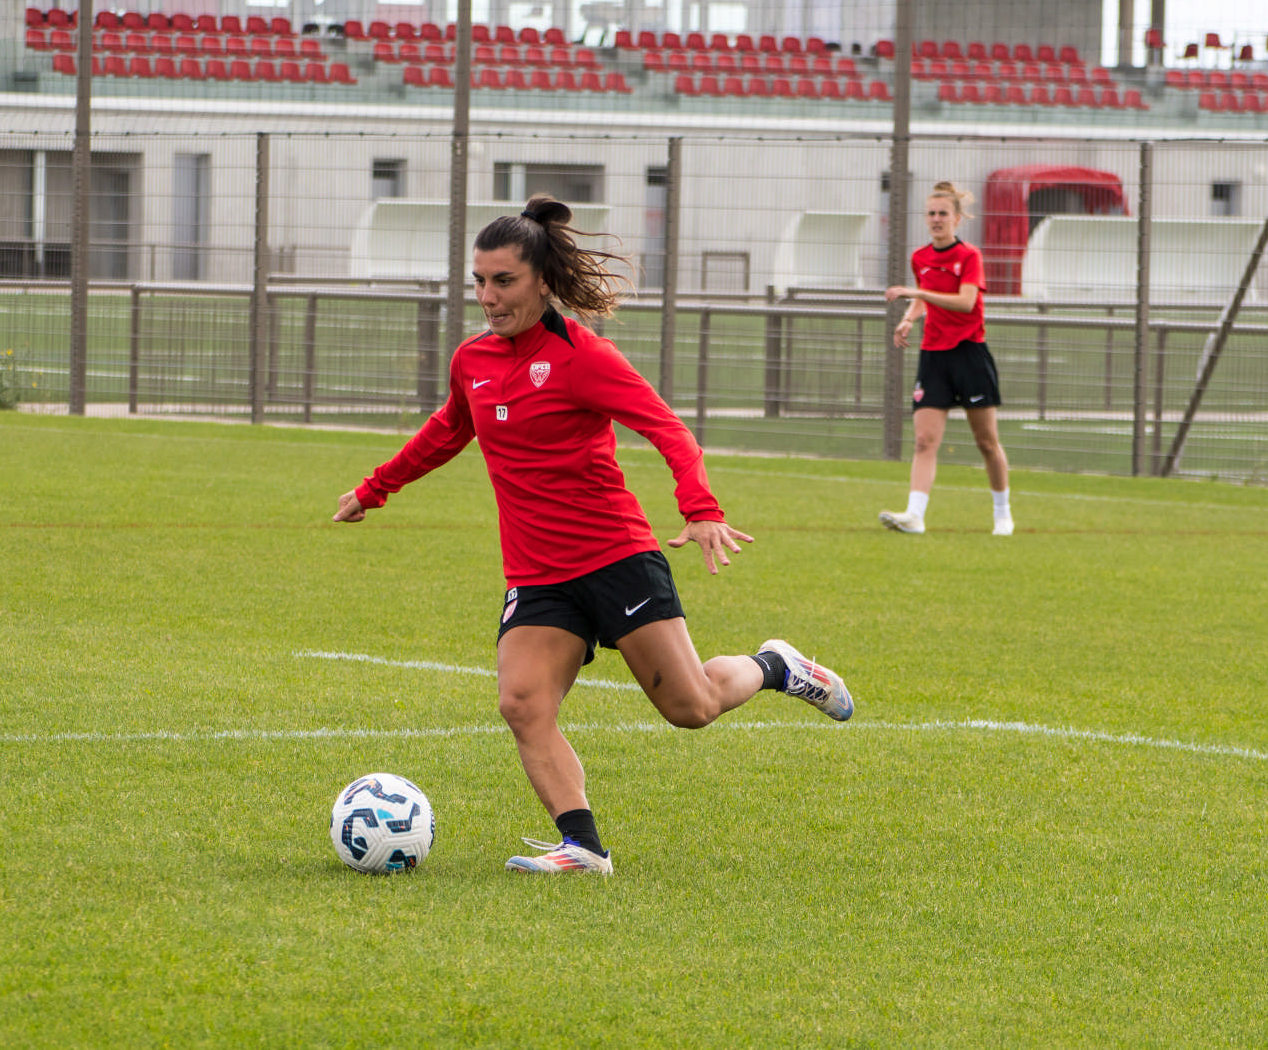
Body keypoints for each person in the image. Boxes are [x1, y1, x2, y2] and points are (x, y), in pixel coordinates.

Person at [333, 194, 853, 876]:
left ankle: (777, 667)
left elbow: (667, 428)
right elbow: (448, 430)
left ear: (543, 280)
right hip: (538, 574)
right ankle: (582, 846)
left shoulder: (583, 357)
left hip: (616, 558)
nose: (488, 297)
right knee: (522, 703)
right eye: (479, 281)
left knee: (691, 707)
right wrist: (374, 489)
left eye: (504, 281)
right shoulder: (472, 360)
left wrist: (699, 506)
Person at [880, 181, 1014, 536]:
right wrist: (909, 317)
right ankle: (914, 516)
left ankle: (1002, 514)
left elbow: (966, 302)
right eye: (931, 213)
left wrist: (918, 293)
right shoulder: (920, 257)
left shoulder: (969, 256)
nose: (936, 219)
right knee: (924, 440)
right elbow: (925, 297)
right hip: (934, 356)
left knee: (986, 442)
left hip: (969, 354)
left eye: (943, 213)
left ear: (957, 218)